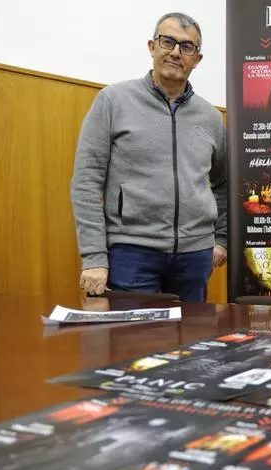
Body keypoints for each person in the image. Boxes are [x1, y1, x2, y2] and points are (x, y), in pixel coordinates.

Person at [71, 12, 228, 303]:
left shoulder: (211, 118)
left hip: (195, 257)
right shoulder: (113, 101)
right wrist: (94, 257)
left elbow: (224, 183)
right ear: (152, 46)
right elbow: (86, 183)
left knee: (193, 334)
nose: (176, 52)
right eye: (168, 41)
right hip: (131, 253)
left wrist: (221, 239)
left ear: (197, 59)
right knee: (137, 333)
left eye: (187, 46)